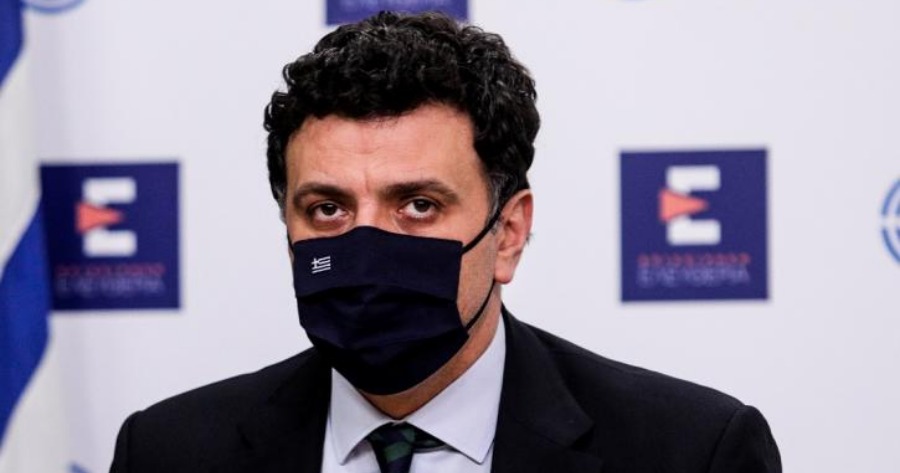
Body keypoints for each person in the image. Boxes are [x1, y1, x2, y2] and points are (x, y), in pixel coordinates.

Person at [110, 11, 781, 473]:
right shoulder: (168, 452)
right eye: (327, 208)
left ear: (509, 232)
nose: (367, 243)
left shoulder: (690, 452)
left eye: (418, 205)